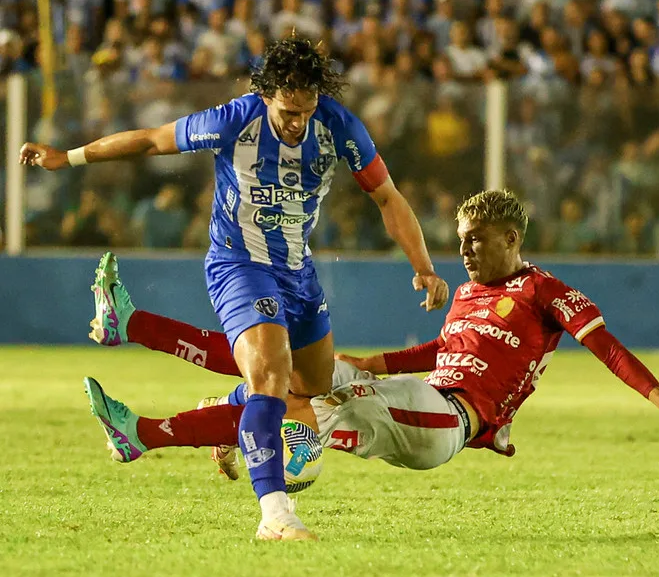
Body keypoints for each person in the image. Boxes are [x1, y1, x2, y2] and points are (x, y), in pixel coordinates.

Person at [19, 38, 449, 542]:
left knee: (308, 391)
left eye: (306, 111)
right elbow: (152, 140)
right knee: (270, 377)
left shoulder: (338, 126)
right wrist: (65, 158)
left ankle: (204, 408)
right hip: (239, 264)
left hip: (298, 271)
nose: (297, 122)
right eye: (289, 111)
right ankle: (275, 515)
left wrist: (423, 265)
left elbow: (385, 195)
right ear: (266, 95)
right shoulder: (234, 119)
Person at [83, 190, 659, 493]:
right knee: (280, 367)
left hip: (444, 421)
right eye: (462, 238)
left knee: (289, 400)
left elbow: (607, 345)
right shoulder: (470, 297)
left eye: (478, 238)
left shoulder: (542, 292)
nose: (466, 250)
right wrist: (368, 362)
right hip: (416, 395)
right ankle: (134, 350)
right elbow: (438, 355)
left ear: (512, 238)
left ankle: (276, 449)